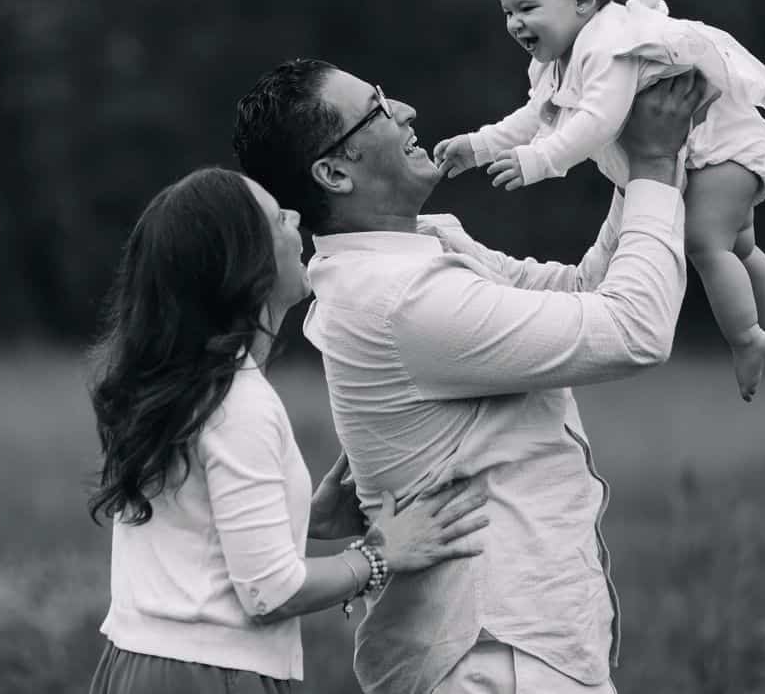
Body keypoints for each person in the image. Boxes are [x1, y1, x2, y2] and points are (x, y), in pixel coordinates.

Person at [234, 61, 710, 694]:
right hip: (492, 659)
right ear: (334, 172)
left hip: (510, 647)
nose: (402, 109)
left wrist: (632, 168)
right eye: (375, 109)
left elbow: (582, 290)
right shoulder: (400, 298)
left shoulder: (421, 247)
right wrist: (652, 166)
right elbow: (633, 330)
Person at [85, 166, 491, 694]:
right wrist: (378, 554)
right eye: (278, 217)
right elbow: (269, 592)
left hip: (140, 666)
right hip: (208, 678)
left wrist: (307, 520)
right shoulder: (238, 402)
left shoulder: (184, 386)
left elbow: (196, 534)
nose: (296, 216)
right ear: (241, 264)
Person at [433, 0, 765, 400]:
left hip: (723, 147)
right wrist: (477, 146)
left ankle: (747, 339)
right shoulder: (559, 59)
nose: (514, 24)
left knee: (704, 243)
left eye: (527, 9)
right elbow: (536, 115)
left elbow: (595, 122)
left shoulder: (609, 48)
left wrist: (539, 161)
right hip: (701, 150)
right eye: (507, 12)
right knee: (739, 247)